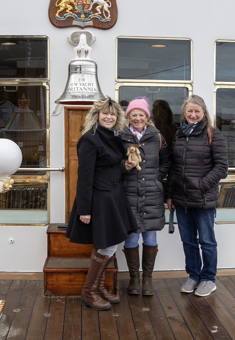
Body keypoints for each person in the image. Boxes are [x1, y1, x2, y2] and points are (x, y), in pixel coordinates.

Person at [66, 98, 138, 311]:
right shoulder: (90, 139)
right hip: (99, 200)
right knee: (106, 244)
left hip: (113, 197)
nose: (109, 117)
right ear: (97, 115)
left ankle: (97, 288)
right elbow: (85, 177)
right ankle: (89, 292)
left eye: (113, 114)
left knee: (110, 243)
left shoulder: (114, 136)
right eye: (105, 113)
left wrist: (125, 166)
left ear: (118, 117)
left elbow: (109, 168)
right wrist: (84, 209)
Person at [165, 95, 228, 297]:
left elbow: (221, 167)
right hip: (181, 198)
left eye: (197, 111)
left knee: (207, 241)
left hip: (202, 198)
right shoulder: (178, 135)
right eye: (189, 111)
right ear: (184, 112)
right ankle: (194, 275)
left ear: (203, 113)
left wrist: (201, 186)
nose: (193, 115)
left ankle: (208, 278)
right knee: (189, 241)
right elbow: (173, 168)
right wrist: (170, 195)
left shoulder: (213, 134)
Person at [120, 97, 171, 296]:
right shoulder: (121, 137)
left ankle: (147, 280)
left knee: (150, 235)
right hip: (128, 194)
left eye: (141, 114)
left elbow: (167, 161)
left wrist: (157, 178)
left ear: (147, 117)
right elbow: (114, 162)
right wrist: (124, 169)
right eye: (134, 114)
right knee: (131, 237)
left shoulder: (157, 137)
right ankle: (134, 278)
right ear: (129, 117)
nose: (138, 118)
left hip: (152, 194)